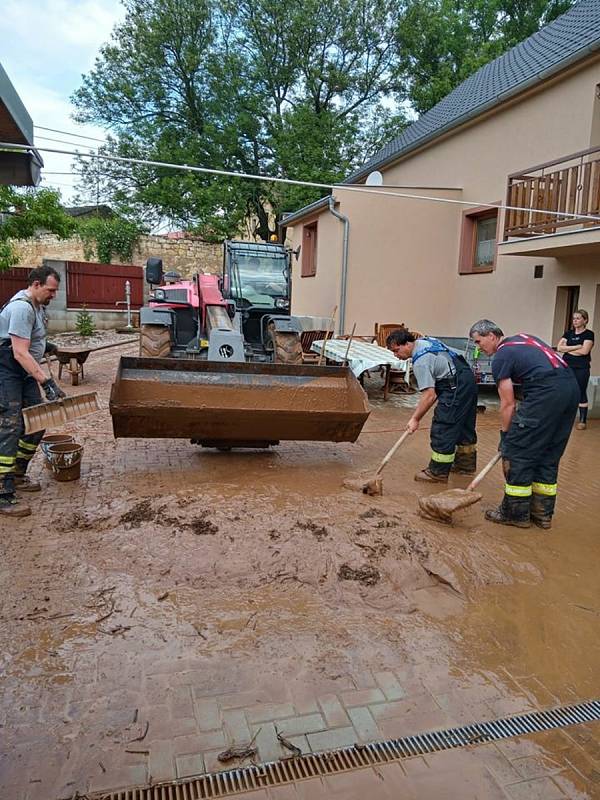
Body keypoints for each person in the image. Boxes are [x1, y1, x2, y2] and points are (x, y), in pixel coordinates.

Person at [469, 320, 579, 530]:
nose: (478, 347)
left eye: (478, 341)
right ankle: (541, 514)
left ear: (492, 335)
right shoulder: (524, 339)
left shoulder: (501, 355)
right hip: (570, 389)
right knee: (548, 453)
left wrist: (506, 436)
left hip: (546, 392)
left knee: (519, 452)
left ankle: (515, 513)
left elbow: (508, 404)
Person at [0, 265, 65, 518]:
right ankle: (3, 493)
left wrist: (45, 345)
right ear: (36, 285)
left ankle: (17, 474)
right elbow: (18, 351)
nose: (54, 295)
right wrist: (47, 382)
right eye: (51, 290)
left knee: (37, 423)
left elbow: (28, 340)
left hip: (23, 371)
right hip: (7, 370)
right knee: (10, 428)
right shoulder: (21, 308)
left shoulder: (37, 308)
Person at [387, 330, 478, 482]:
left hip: (454, 386)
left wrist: (415, 419)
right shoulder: (426, 341)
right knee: (463, 425)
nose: (396, 355)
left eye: (397, 350)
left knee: (443, 426)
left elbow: (430, 395)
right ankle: (465, 465)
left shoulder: (421, 362)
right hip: (467, 380)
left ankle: (438, 472)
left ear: (408, 344)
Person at [557, 309, 595, 430]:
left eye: (578, 318)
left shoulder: (589, 334)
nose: (575, 321)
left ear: (585, 320)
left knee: (580, 392)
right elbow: (559, 348)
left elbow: (585, 351)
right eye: (574, 318)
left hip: (581, 368)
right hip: (567, 366)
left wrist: (567, 349)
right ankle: (565, 417)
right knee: (566, 391)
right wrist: (576, 347)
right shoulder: (568, 334)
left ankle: (582, 420)